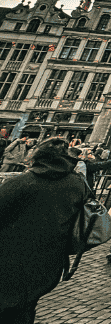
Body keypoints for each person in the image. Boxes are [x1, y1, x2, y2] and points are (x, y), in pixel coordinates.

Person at [0, 137, 91, 323]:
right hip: (49, 260)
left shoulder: (19, 183)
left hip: (9, 259)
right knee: (26, 306)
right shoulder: (77, 184)